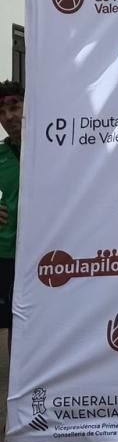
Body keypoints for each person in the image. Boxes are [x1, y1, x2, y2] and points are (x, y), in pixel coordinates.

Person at [0, 81, 23, 349]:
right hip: (7, 254)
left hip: (50, 252)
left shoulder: (53, 147)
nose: (9, 117)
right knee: (12, 321)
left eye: (15, 108)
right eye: (3, 112)